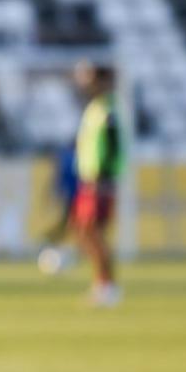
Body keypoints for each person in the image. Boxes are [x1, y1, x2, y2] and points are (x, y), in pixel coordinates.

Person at [72, 62, 124, 307]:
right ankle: (102, 284)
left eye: (91, 80)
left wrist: (102, 176)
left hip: (99, 180)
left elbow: (113, 146)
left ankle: (108, 286)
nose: (86, 85)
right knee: (85, 232)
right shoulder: (96, 108)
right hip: (89, 179)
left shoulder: (108, 110)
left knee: (94, 233)